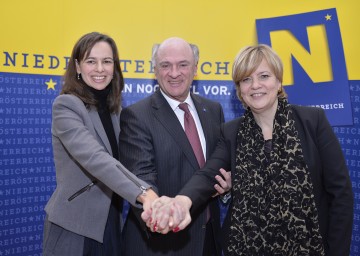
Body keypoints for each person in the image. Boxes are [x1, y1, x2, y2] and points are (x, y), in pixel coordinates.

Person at [147, 44, 354, 256]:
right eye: (246, 79)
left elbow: (341, 195)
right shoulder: (231, 132)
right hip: (245, 248)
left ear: (278, 81)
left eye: (264, 76)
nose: (255, 85)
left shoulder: (312, 121)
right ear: (239, 90)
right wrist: (182, 201)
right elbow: (208, 174)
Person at [42, 32, 157, 256]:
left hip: (111, 222)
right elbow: (96, 158)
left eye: (106, 61)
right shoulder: (66, 106)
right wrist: (144, 194)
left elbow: (132, 160)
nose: (100, 69)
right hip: (75, 225)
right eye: (91, 61)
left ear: (114, 67)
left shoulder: (115, 111)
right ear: (77, 66)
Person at [118, 37, 231, 256]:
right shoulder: (137, 116)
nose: (174, 73)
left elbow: (216, 166)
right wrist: (161, 216)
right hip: (161, 243)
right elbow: (141, 179)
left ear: (195, 68)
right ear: (155, 70)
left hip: (209, 240)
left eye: (183, 64)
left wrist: (224, 188)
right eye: (165, 65)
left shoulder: (213, 110)